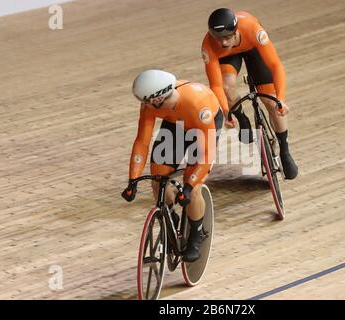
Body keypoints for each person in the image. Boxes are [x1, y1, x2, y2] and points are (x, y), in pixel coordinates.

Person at [121, 69, 223, 262]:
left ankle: (196, 234)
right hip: (175, 125)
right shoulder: (150, 104)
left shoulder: (197, 104)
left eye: (147, 102)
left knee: (192, 190)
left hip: (203, 126)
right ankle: (171, 218)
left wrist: (190, 184)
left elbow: (206, 153)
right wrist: (132, 179)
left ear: (158, 98)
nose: (145, 105)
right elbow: (142, 142)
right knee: (158, 180)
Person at [201, 8, 298, 179]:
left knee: (272, 103)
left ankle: (284, 149)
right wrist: (226, 111)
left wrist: (281, 98)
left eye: (227, 37)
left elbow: (275, 65)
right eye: (218, 38)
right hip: (228, 57)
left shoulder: (253, 29)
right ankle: (242, 118)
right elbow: (215, 85)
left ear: (236, 31)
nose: (223, 43)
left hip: (253, 48)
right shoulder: (209, 44)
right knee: (226, 86)